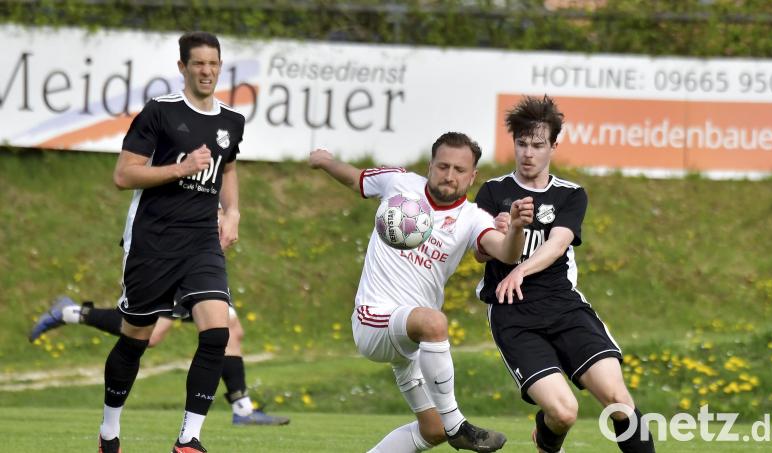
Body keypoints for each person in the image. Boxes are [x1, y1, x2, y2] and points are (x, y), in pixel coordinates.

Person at [309, 132, 534, 453]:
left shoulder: (472, 219)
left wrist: (516, 228)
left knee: (432, 430)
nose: (450, 175)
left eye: (459, 170)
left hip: (412, 342)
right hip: (373, 319)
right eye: (443, 166)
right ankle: (458, 425)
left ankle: (447, 428)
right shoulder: (399, 183)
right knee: (434, 323)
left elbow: (507, 254)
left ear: (473, 176)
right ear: (430, 166)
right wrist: (325, 161)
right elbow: (356, 179)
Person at [474, 95, 656, 453]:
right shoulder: (494, 191)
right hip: (515, 314)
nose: (528, 153)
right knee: (564, 412)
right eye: (521, 143)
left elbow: (558, 244)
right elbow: (480, 252)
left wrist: (521, 270)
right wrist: (499, 229)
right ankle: (546, 432)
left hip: (563, 306)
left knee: (618, 399)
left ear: (554, 145)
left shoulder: (570, 195)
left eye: (538, 145)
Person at [98, 31, 244, 453]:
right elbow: (124, 175)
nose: (207, 71)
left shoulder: (231, 121)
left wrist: (232, 213)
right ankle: (109, 431)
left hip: (202, 241)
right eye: (198, 63)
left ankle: (189, 439)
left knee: (217, 330)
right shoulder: (159, 113)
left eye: (213, 64)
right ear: (182, 67)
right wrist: (179, 169)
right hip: (153, 240)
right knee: (135, 340)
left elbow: (228, 168)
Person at [29, 295, 290, 426]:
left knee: (232, 328)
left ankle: (243, 409)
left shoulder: (221, 190)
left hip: (205, 266)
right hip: (179, 261)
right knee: (149, 336)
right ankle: (71, 312)